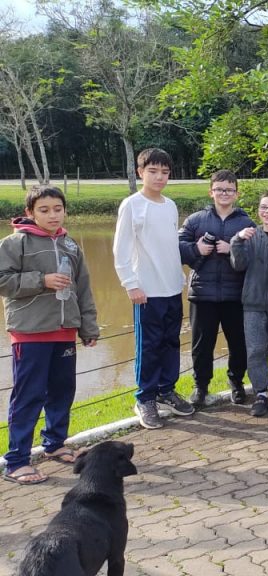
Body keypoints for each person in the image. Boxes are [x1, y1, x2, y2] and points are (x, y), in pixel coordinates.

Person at [0, 186, 100, 485]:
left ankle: (54, 443)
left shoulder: (70, 245)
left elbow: (83, 288)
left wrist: (88, 327)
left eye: (58, 209)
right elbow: (3, 280)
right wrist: (41, 280)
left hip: (64, 331)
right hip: (30, 332)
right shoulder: (14, 243)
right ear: (30, 213)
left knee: (62, 389)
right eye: (44, 210)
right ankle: (16, 460)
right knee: (29, 395)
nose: (52, 215)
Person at [112, 148, 195, 430]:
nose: (159, 177)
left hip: (171, 287)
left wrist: (179, 277)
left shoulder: (170, 205)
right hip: (146, 291)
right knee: (149, 346)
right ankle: (145, 398)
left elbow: (170, 246)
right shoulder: (132, 205)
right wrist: (131, 284)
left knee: (171, 342)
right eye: (153, 171)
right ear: (140, 172)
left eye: (164, 172)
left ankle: (166, 390)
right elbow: (121, 250)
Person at [178, 170, 255, 408]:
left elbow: (257, 255)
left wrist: (232, 248)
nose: (224, 193)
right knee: (202, 345)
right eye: (219, 189)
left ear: (237, 194)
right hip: (202, 293)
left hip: (236, 294)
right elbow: (177, 247)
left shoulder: (246, 223)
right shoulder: (195, 220)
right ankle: (200, 387)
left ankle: (237, 383)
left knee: (239, 343)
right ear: (210, 192)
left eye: (229, 190)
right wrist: (197, 249)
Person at [230, 190, 268, 417]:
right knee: (255, 350)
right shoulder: (250, 235)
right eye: (263, 207)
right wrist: (237, 241)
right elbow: (238, 265)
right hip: (252, 304)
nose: (267, 212)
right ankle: (261, 393)